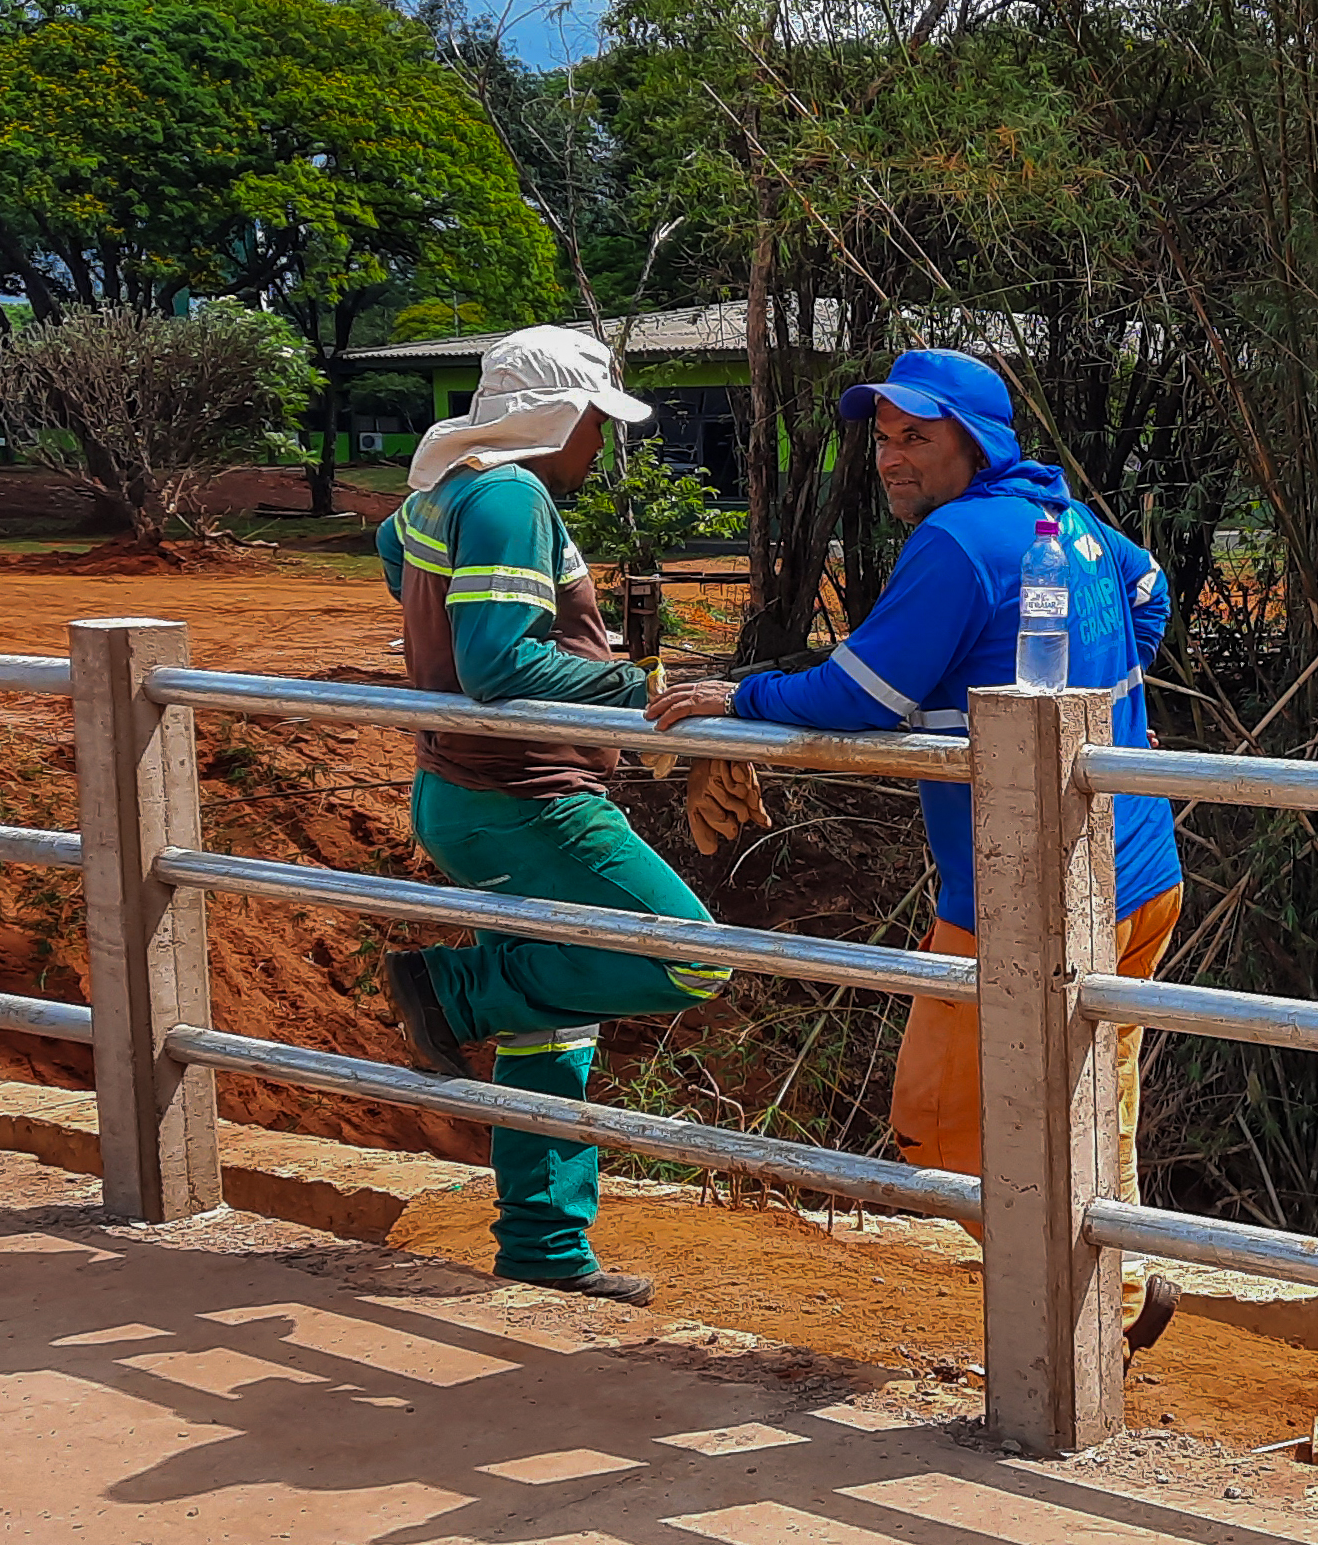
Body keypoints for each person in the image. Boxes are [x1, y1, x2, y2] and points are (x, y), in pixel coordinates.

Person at [648, 347, 1187, 1353]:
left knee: (935, 1132)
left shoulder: (958, 540)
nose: (892, 458)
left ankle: (1083, 1304)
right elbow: (1148, 589)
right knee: (1094, 1098)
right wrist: (1113, 686)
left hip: (1026, 888)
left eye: (916, 437)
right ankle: (1110, 1299)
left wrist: (737, 701)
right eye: (885, 438)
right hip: (1139, 868)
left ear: (972, 441)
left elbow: (859, 695)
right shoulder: (1059, 520)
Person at [372, 324, 731, 1305]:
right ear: (560, 416)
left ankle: (543, 1248)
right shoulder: (510, 495)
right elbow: (497, 665)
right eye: (595, 423)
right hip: (526, 795)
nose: (598, 444)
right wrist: (642, 686)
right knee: (689, 953)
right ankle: (453, 993)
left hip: (467, 791)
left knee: (556, 1016)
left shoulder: (442, 495)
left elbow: (389, 546)